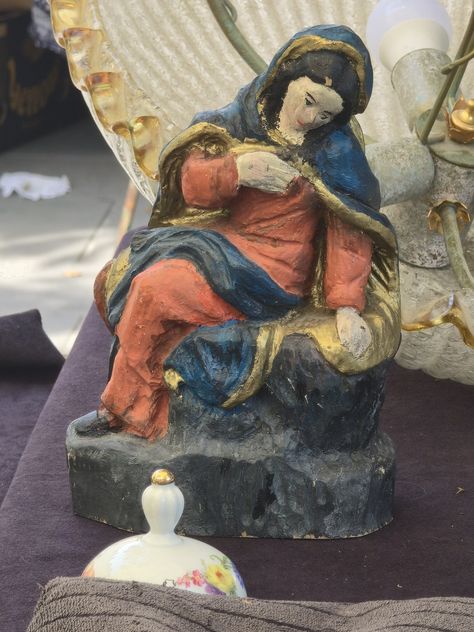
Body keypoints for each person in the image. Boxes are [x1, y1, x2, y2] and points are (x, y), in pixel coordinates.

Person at [93, 25, 400, 441]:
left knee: (152, 289)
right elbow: (189, 186)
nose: (310, 118)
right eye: (308, 100)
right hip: (217, 244)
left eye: (326, 115)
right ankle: (160, 390)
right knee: (119, 274)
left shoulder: (335, 152)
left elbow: (349, 230)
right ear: (285, 77)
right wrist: (236, 171)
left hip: (270, 273)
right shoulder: (241, 120)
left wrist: (346, 306)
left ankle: (132, 408)